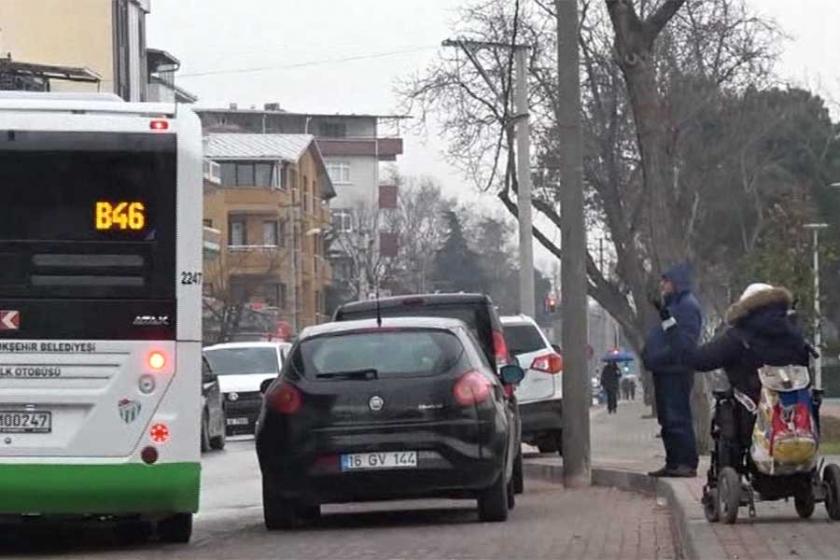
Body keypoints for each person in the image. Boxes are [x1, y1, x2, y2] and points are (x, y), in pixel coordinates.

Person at [663, 282, 811, 414]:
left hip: (747, 426)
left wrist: (671, 327)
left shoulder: (737, 337)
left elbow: (696, 360)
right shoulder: (795, 336)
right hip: (795, 423)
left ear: (745, 307)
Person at [641, 263, 703, 478]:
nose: (662, 285)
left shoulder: (686, 306)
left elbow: (682, 343)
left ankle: (685, 462)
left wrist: (658, 357)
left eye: (666, 281)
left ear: (676, 283)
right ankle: (673, 462)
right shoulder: (674, 306)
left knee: (677, 417)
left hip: (676, 371)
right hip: (665, 370)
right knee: (667, 418)